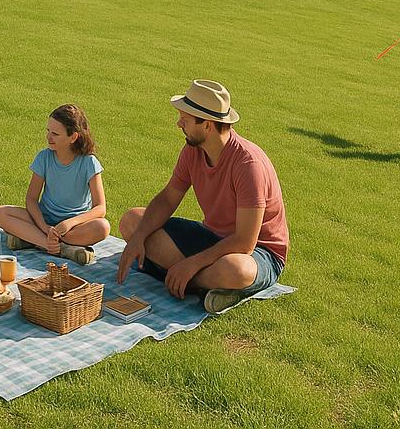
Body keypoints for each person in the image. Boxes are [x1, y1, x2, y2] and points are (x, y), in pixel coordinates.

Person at [117, 80, 288, 315]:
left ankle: (182, 277)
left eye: (184, 119)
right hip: (212, 237)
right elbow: (167, 199)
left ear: (207, 125)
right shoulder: (192, 151)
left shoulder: (248, 165)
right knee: (132, 221)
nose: (179, 124)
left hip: (258, 253)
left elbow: (244, 242)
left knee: (236, 270)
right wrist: (139, 237)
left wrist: (192, 264)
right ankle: (203, 285)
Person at [0, 104, 109, 266]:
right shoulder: (44, 157)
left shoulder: (89, 162)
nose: (49, 137)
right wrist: (45, 227)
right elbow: (31, 199)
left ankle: (32, 240)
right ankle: (60, 247)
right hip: (44, 221)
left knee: (102, 227)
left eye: (55, 134)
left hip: (73, 228)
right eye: (48, 131)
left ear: (73, 137)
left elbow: (100, 208)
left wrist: (69, 223)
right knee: (0, 213)